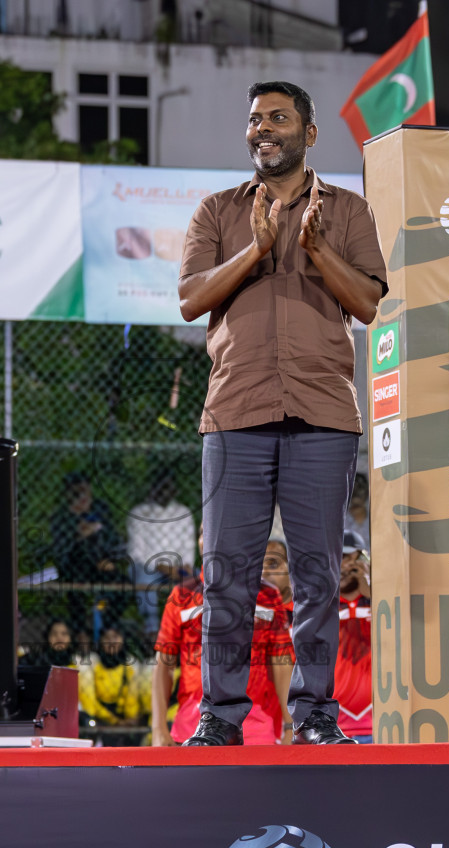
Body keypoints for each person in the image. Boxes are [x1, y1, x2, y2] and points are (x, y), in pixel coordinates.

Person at [177, 80, 385, 747]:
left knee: (318, 576)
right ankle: (220, 717)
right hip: (235, 411)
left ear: (309, 133)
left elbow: (368, 304)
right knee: (228, 578)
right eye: (254, 118)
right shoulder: (216, 211)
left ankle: (316, 718)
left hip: (322, 415)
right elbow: (189, 300)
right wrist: (259, 248)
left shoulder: (348, 212)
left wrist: (318, 250)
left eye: (277, 117)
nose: (262, 128)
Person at [150, 550, 294, 747]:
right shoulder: (182, 595)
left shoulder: (268, 594)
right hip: (192, 724)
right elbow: (163, 664)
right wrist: (158, 728)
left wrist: (289, 726)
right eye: (202, 532)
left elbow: (281, 662)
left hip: (257, 727)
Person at [50, 472, 125, 633]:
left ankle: (107, 629)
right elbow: (60, 550)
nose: (82, 496)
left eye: (85, 490)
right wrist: (77, 534)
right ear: (68, 493)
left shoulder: (101, 509)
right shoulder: (61, 517)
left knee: (123, 586)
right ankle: (81, 633)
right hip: (74, 567)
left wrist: (107, 558)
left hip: (101, 566)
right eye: (77, 492)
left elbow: (114, 538)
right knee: (75, 591)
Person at [126, 473, 195, 639]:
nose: (164, 492)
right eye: (161, 487)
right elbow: (137, 551)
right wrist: (161, 566)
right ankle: (152, 628)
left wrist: (184, 567)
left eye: (168, 487)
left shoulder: (184, 512)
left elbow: (189, 547)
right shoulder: (139, 512)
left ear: (175, 490)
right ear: (152, 489)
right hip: (148, 568)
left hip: (178, 569)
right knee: (143, 577)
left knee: (199, 579)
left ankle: (190, 627)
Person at [79, 625, 149, 746]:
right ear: (100, 641)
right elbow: (90, 700)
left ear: (122, 639)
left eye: (115, 637)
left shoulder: (131, 665)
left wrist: (129, 720)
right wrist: (114, 721)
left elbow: (132, 698)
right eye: (106, 638)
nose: (111, 641)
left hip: (124, 719)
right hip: (98, 718)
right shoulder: (92, 664)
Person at [334, 532, 373, 741]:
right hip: (333, 724)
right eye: (338, 557)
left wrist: (368, 586)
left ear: (362, 559)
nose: (344, 566)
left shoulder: (382, 601)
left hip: (382, 719)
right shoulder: (322, 604)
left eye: (349, 557)